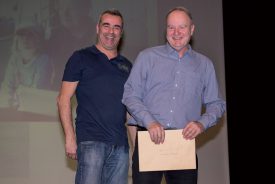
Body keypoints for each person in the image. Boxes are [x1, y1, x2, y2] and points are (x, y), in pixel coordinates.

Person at [122, 6, 226, 184]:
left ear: (191, 29)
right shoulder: (147, 57)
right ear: (166, 30)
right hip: (150, 140)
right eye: (171, 27)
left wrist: (201, 124)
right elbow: (130, 95)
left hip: (183, 143)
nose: (176, 32)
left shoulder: (204, 65)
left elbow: (217, 103)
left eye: (182, 27)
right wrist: (150, 121)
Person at [57, 9, 132, 184]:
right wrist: (70, 138)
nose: (111, 32)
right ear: (98, 28)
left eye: (116, 27)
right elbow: (63, 99)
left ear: (121, 32)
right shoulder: (80, 58)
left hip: (120, 147)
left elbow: (131, 112)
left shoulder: (127, 66)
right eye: (106, 26)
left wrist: (137, 149)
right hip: (91, 143)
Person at [0, 23, 53, 108]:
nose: (25, 39)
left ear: (38, 39)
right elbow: (7, 86)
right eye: (22, 35)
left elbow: (37, 90)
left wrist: (17, 99)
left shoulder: (43, 60)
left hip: (36, 106)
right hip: (15, 104)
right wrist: (8, 103)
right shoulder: (15, 58)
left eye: (30, 35)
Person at [47, 0, 96, 90]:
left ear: (85, 10)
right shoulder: (55, 35)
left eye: (71, 9)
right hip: (59, 93)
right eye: (62, 9)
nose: (65, 14)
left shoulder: (102, 35)